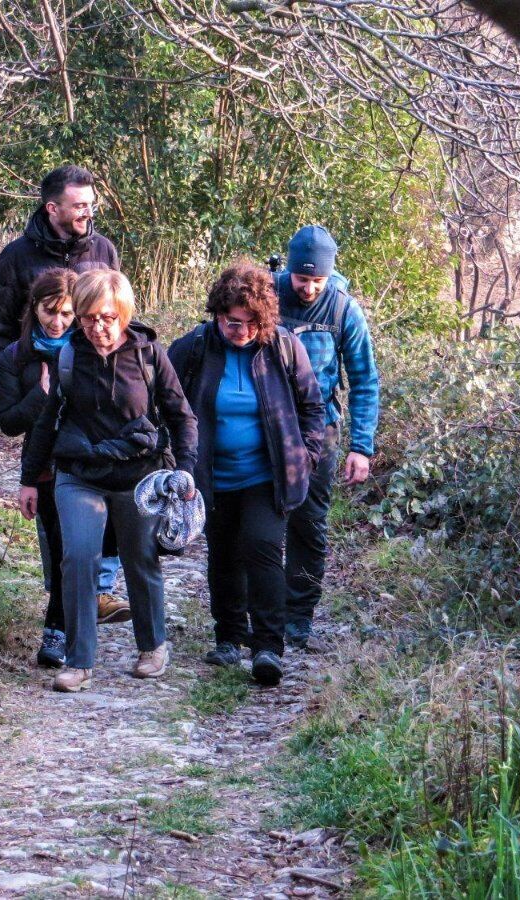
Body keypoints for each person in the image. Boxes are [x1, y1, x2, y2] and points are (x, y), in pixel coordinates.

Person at [19, 270, 198, 693]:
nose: (97, 328)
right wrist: (29, 479)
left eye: (106, 318)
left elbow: (181, 416)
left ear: (123, 314)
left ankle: (153, 646)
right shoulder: (67, 357)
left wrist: (185, 469)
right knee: (79, 557)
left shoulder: (150, 355)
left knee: (140, 558)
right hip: (79, 474)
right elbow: (47, 421)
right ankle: (79, 662)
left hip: (139, 477)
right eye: (87, 318)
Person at [0, 164, 128, 624]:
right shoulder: (18, 256)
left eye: (91, 204)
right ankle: (66, 590)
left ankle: (96, 586)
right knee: (48, 487)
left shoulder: (103, 250)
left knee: (104, 481)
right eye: (79, 205)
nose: (89, 211)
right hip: (40, 388)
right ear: (53, 208)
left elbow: (117, 316)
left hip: (95, 387)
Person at [169, 262, 326, 685]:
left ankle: (268, 647)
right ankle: (228, 639)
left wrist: (307, 456)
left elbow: (313, 407)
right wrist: (174, 460)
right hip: (211, 474)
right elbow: (164, 400)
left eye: (249, 322)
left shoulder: (284, 348)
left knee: (260, 547)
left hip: (267, 474)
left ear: (263, 319)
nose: (239, 330)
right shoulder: (195, 347)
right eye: (231, 321)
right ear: (217, 313)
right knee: (222, 553)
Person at [274, 225, 380, 649]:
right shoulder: (266, 295)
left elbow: (365, 380)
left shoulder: (343, 310)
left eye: (317, 280)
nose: (309, 288)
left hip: (319, 431)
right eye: (302, 280)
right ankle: (255, 609)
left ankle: (298, 616)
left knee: (308, 524)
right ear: (289, 270)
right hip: (259, 425)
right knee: (257, 519)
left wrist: (361, 447)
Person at [0, 269, 80, 668]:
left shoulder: (89, 348)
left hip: (88, 463)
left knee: (79, 549)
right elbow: (9, 422)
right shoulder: (15, 356)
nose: (58, 321)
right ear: (35, 307)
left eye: (67, 313)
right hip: (44, 465)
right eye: (51, 312)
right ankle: (58, 631)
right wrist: (40, 396)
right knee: (62, 548)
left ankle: (68, 625)